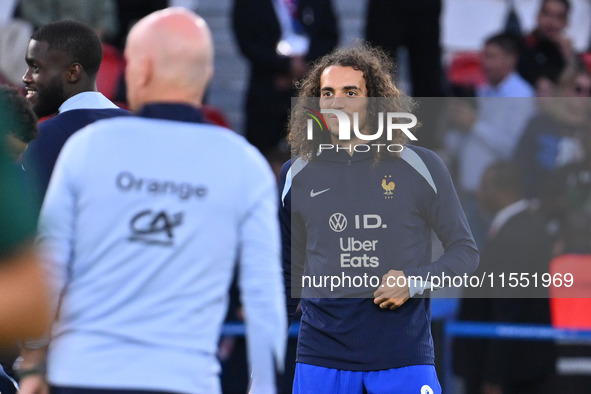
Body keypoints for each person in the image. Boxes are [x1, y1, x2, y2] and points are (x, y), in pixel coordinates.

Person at [16, 7, 286, 394]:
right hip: (185, 379)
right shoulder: (245, 163)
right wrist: (263, 387)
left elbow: (49, 264)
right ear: (207, 75)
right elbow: (263, 294)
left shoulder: (87, 148)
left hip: (83, 373)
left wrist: (33, 367)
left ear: (137, 71)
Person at [279, 45, 479, 393]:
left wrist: (413, 281)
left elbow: (465, 252)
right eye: (327, 93)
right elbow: (287, 274)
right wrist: (263, 360)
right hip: (319, 360)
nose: (336, 102)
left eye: (350, 92)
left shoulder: (421, 166)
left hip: (402, 358)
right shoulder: (295, 174)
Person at [454, 161, 557, 394]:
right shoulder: (527, 226)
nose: (478, 194)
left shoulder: (515, 236)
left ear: (503, 192)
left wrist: (494, 377)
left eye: (484, 187)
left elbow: (508, 306)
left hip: (510, 374)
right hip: (518, 367)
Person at [20, 19, 130, 206]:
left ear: (73, 73)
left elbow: (32, 228)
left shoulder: (46, 137)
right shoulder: (140, 126)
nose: (26, 77)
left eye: (36, 67)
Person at [445, 32, 536, 247]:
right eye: (484, 56)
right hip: (467, 190)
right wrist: (456, 124)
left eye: (492, 56)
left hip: (495, 195)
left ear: (510, 59)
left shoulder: (522, 96)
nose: (485, 63)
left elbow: (513, 147)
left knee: (489, 259)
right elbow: (463, 143)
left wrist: (474, 124)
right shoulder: (482, 90)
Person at [232, 0, 338, 162]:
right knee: (263, 157)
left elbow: (329, 36)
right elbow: (247, 41)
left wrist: (305, 67)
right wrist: (284, 66)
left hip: (311, 89)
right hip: (267, 90)